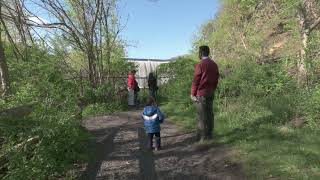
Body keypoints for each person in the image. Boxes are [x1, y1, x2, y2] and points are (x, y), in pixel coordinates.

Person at [190, 45, 219, 141]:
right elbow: (216, 79)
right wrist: (213, 89)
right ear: (208, 52)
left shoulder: (200, 65)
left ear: (201, 53)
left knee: (201, 115)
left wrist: (192, 93)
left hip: (201, 94)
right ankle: (210, 135)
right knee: (210, 114)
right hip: (211, 92)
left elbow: (196, 80)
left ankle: (202, 137)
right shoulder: (214, 64)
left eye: (199, 52)